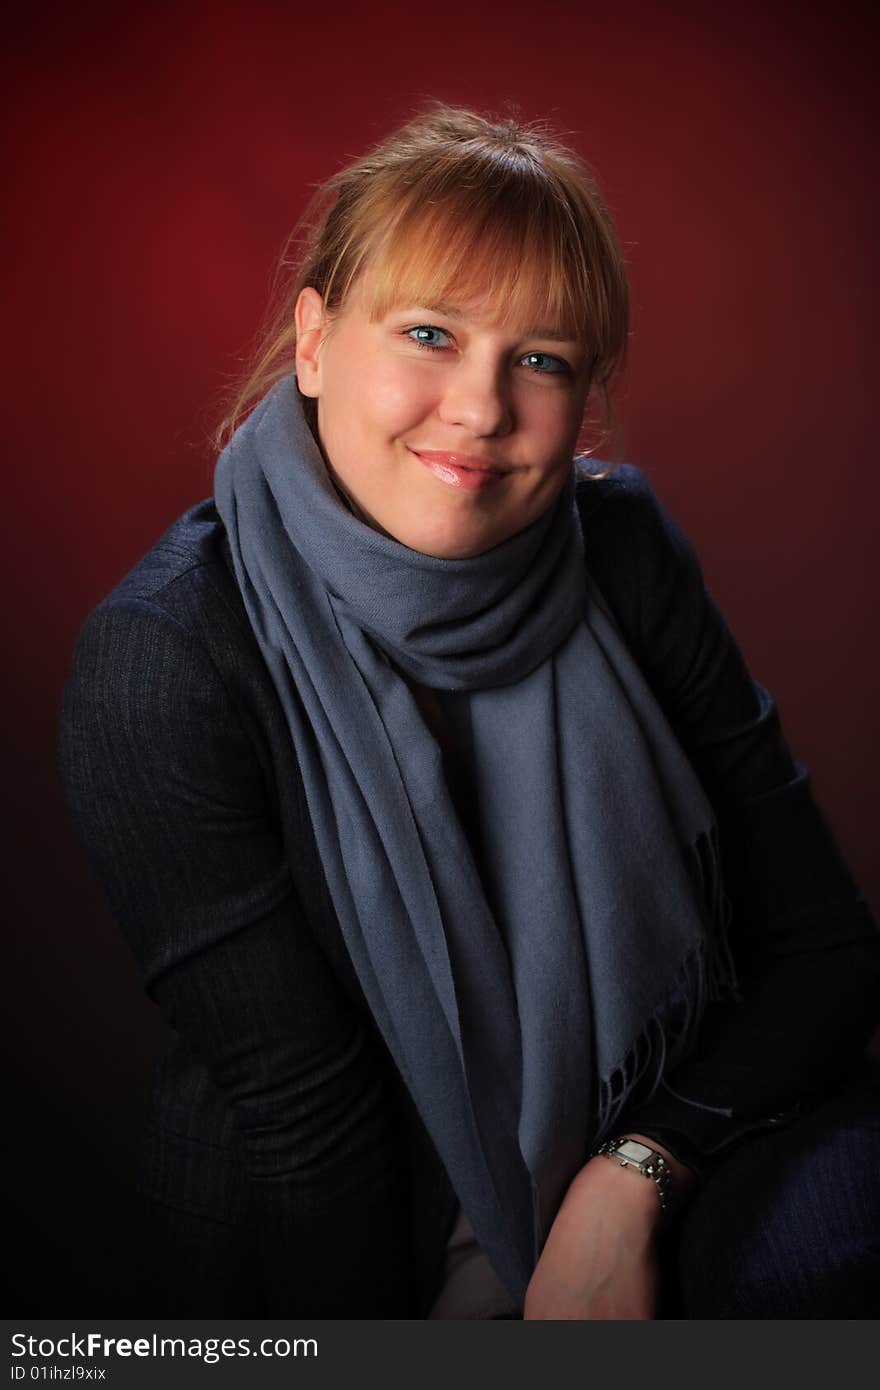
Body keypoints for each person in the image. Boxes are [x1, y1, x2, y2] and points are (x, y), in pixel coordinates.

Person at [58, 103, 880, 1319]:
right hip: (336, 1229)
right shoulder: (164, 655)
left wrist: (630, 1175)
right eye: (431, 334)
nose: (483, 410)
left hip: (642, 1151)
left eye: (539, 359)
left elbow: (822, 948)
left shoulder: (620, 549)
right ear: (315, 343)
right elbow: (308, 1123)